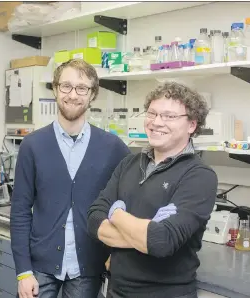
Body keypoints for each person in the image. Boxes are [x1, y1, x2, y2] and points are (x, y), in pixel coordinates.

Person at [10, 59, 130, 298]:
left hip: (87, 269)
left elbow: (128, 203)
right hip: (39, 267)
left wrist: (113, 255)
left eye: (82, 88)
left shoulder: (113, 147)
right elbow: (20, 211)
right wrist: (23, 271)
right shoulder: (32, 146)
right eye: (66, 86)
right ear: (55, 89)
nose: (73, 95)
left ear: (92, 95)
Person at [87, 82, 218, 298]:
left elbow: (161, 242)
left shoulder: (199, 175)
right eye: (152, 113)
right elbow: (93, 220)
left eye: (169, 116)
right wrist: (145, 233)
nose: (156, 122)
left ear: (192, 124)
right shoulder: (129, 164)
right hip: (116, 291)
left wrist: (116, 214)